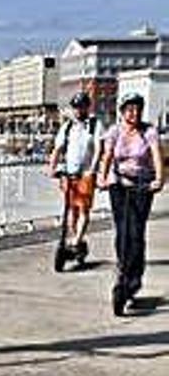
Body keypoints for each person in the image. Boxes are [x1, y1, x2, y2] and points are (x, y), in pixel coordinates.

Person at [97, 92, 164, 312]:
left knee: (136, 233)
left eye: (137, 109)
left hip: (143, 185)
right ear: (122, 111)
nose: (133, 113)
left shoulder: (149, 132)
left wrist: (159, 179)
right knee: (122, 230)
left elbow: (156, 156)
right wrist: (103, 177)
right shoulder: (114, 131)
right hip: (118, 184)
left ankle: (134, 279)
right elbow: (107, 156)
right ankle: (122, 269)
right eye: (129, 109)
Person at [46, 92, 104, 256]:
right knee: (71, 210)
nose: (78, 110)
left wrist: (93, 169)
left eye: (82, 107)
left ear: (87, 107)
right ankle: (75, 239)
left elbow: (99, 148)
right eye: (76, 107)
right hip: (69, 173)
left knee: (84, 208)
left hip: (86, 173)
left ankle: (77, 241)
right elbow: (57, 149)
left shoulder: (95, 125)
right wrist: (52, 168)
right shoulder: (68, 127)